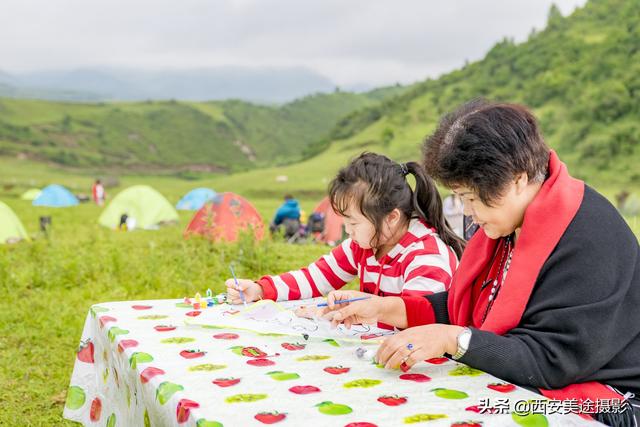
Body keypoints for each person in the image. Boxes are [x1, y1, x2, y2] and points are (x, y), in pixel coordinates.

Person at [320, 101, 640, 426]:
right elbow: (471, 304)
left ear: (517, 179)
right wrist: (384, 308)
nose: (468, 213)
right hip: (541, 372)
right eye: (462, 199)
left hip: (613, 397)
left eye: (471, 199)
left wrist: (452, 339)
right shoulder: (503, 224)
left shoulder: (587, 234)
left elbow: (552, 359)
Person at [226, 152, 465, 313]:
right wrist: (260, 289)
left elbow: (416, 316)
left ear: (391, 217)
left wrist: (355, 306)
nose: (347, 231)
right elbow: (315, 278)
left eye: (353, 222)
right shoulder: (363, 245)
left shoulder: (426, 255)